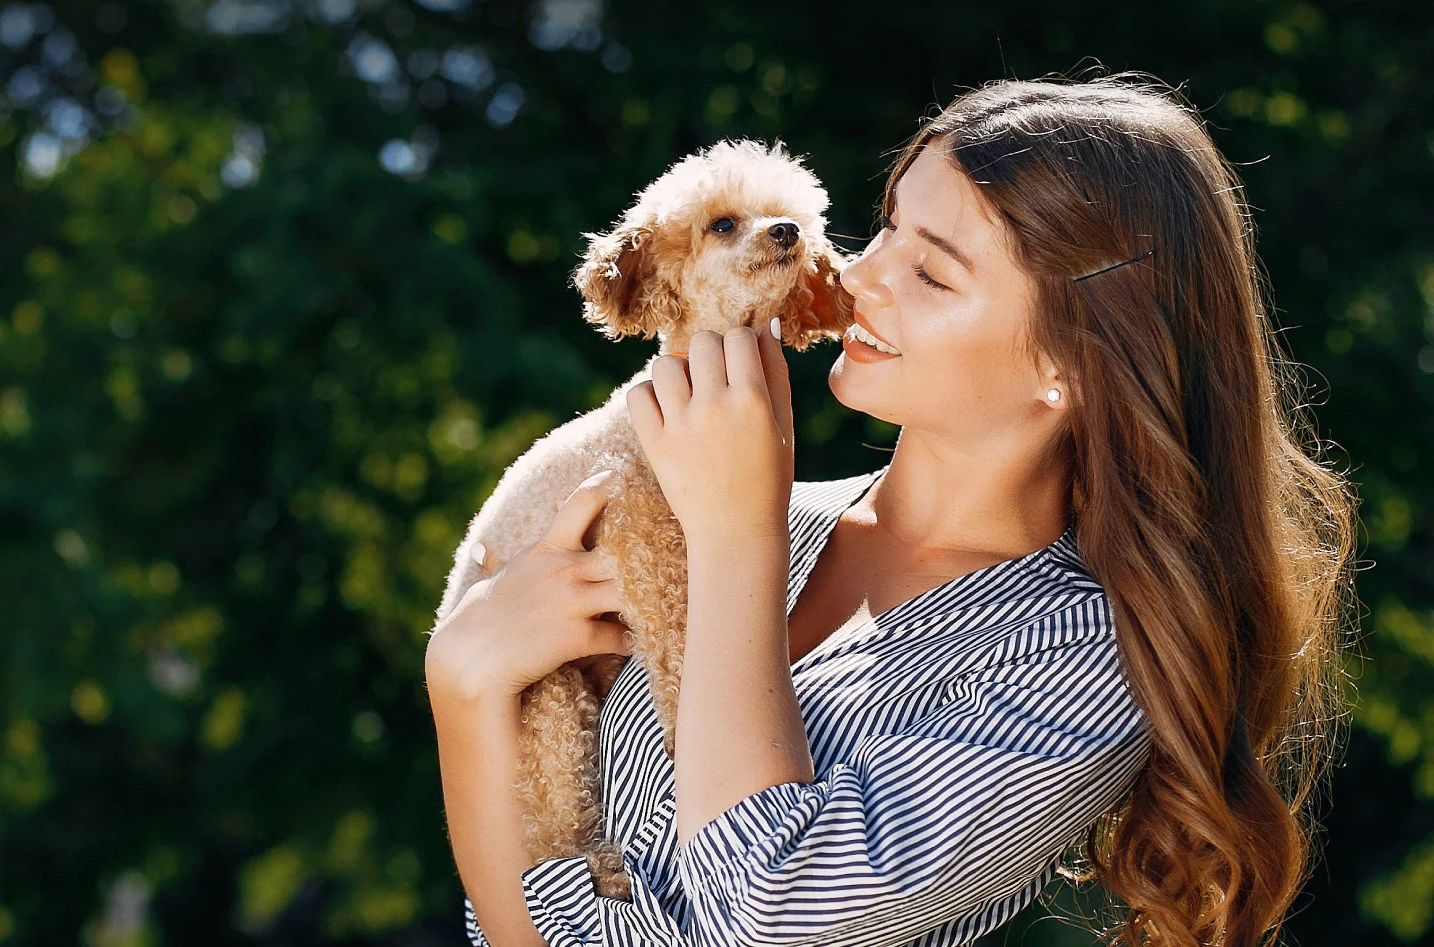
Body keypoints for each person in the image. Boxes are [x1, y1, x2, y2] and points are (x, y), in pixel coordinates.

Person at [424, 73, 1358, 947]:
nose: (860, 276)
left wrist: (732, 536)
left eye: (934, 273)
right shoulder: (763, 521)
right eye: (884, 229)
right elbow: (548, 911)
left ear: (1065, 365)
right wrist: (464, 688)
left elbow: (764, 907)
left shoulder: (1084, 661)